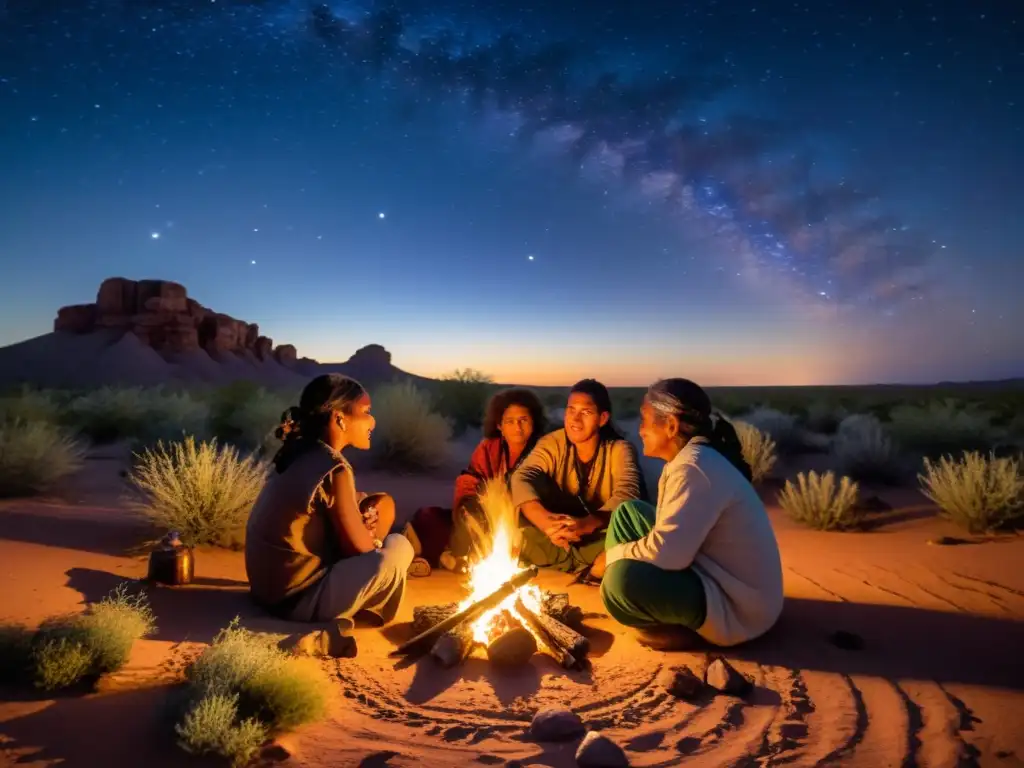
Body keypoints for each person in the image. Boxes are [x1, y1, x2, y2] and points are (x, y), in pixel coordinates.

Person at [592, 378, 784, 649]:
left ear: (670, 426)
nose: (641, 430)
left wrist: (611, 556)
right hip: (713, 572)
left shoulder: (693, 468)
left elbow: (669, 554)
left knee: (620, 585)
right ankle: (656, 611)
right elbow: (670, 539)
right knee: (628, 514)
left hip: (738, 608)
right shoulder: (689, 460)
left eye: (645, 421)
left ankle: (671, 625)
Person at [245, 373, 415, 628]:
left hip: (266, 592)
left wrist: (359, 514)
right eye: (367, 412)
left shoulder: (298, 451)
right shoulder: (334, 468)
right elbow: (361, 551)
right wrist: (371, 536)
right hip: (296, 600)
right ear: (340, 419)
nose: (373, 421)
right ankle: (366, 607)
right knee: (398, 549)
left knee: (377, 504)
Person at [510, 378, 646, 573]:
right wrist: (546, 521)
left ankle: (581, 565)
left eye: (586, 412)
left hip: (600, 536)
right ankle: (582, 565)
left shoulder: (620, 449)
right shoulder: (552, 442)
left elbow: (627, 494)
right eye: (571, 410)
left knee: (631, 543)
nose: (575, 419)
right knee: (511, 537)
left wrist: (584, 525)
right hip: (557, 537)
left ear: (602, 418)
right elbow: (522, 476)